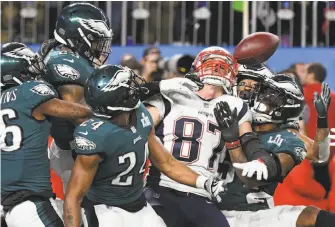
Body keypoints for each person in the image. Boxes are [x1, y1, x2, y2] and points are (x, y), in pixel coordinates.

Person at [64, 65, 227, 227]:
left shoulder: (140, 113)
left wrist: (203, 182)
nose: (135, 88)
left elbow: (166, 163)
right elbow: (74, 196)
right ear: (120, 99)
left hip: (139, 204)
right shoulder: (97, 135)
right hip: (106, 210)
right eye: (129, 86)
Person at [143, 47, 280, 227]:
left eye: (222, 66)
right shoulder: (172, 93)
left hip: (203, 194)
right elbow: (137, 128)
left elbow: (249, 143)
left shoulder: (235, 105)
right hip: (162, 187)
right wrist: (153, 87)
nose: (216, 68)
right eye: (212, 63)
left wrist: (248, 151)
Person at [218, 71, 335, 227]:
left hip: (254, 212)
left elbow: (319, 155)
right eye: (264, 93)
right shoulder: (233, 117)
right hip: (211, 207)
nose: (262, 98)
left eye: (272, 97)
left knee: (312, 215)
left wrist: (322, 120)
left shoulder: (287, 137)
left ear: (285, 108)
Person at [0, 43, 92, 227]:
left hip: (10, 200)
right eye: (31, 68)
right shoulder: (28, 93)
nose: (37, 73)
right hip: (29, 201)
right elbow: (78, 112)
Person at [39, 3, 113, 193]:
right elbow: (78, 115)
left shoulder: (66, 54)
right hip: (72, 147)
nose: (100, 47)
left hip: (69, 144)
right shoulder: (64, 61)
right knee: (89, 207)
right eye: (96, 40)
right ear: (79, 36)